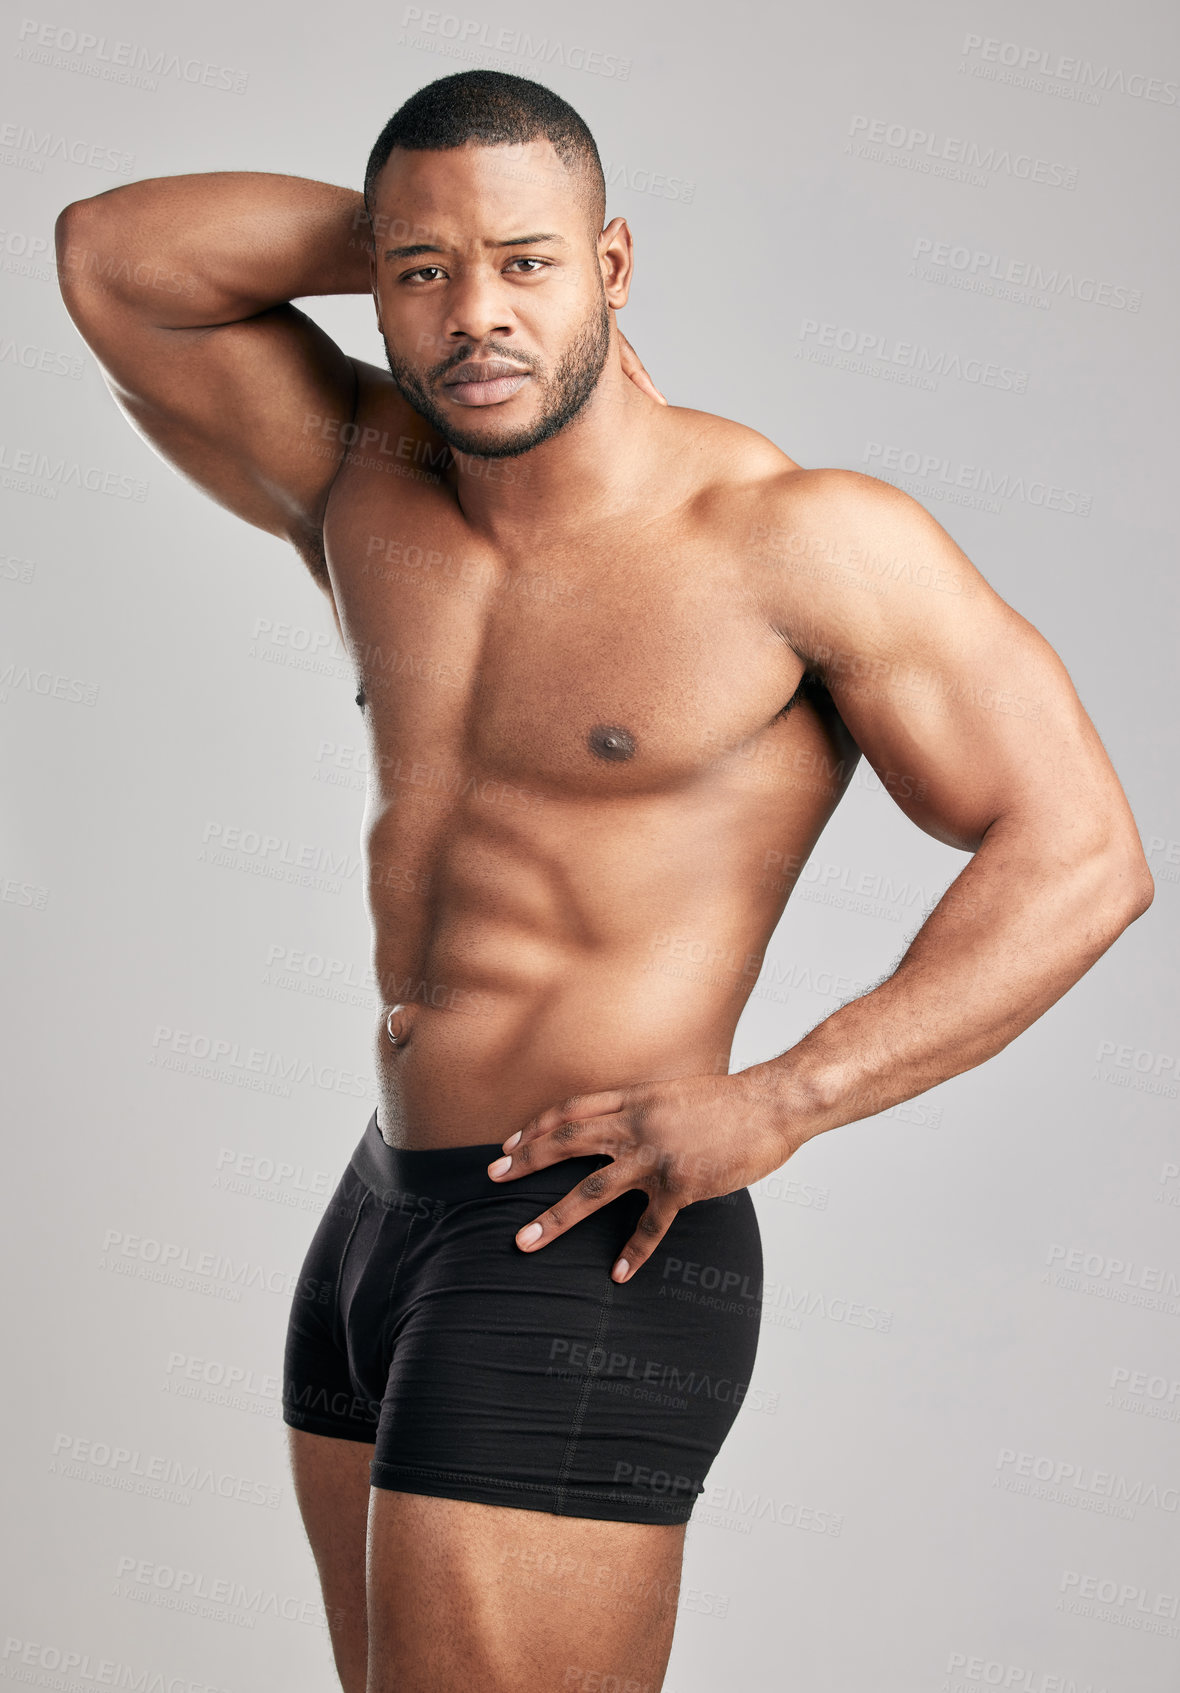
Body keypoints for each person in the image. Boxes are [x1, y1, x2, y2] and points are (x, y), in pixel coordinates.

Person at [55, 68, 1152, 1693]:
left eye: (530, 263)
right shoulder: (369, 489)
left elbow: (1085, 853)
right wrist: (427, 256)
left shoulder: (796, 540)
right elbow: (111, 255)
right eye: (428, 275)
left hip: (589, 1243)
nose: (476, 316)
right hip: (379, 1220)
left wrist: (784, 1097)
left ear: (616, 265)